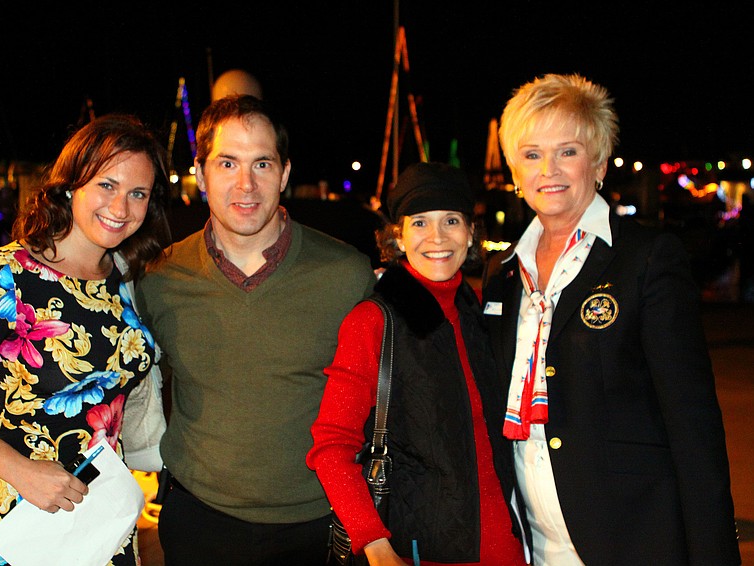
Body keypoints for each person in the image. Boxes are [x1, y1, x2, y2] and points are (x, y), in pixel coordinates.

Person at [482, 73, 740, 565]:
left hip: (633, 541)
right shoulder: (504, 273)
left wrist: (714, 554)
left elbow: (693, 424)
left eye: (568, 151)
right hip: (533, 544)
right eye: (532, 154)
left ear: (599, 163)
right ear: (515, 170)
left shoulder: (646, 258)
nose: (549, 170)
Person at [0, 113, 172, 564]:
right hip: (12, 519)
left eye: (138, 193)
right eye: (107, 185)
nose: (121, 207)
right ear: (71, 186)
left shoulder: (128, 279)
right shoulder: (9, 276)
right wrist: (23, 472)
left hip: (99, 517)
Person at [136, 94, 376, 566]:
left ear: (284, 174)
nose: (246, 184)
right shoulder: (160, 278)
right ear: (201, 174)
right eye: (228, 163)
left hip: (318, 526)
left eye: (262, 164)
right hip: (197, 522)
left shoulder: (347, 275)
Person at [308, 162, 529, 566]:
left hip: (507, 545)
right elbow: (331, 446)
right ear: (399, 236)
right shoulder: (374, 321)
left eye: (451, 221)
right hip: (418, 552)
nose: (437, 237)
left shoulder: (476, 311)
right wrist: (374, 543)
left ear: (470, 232)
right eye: (420, 223)